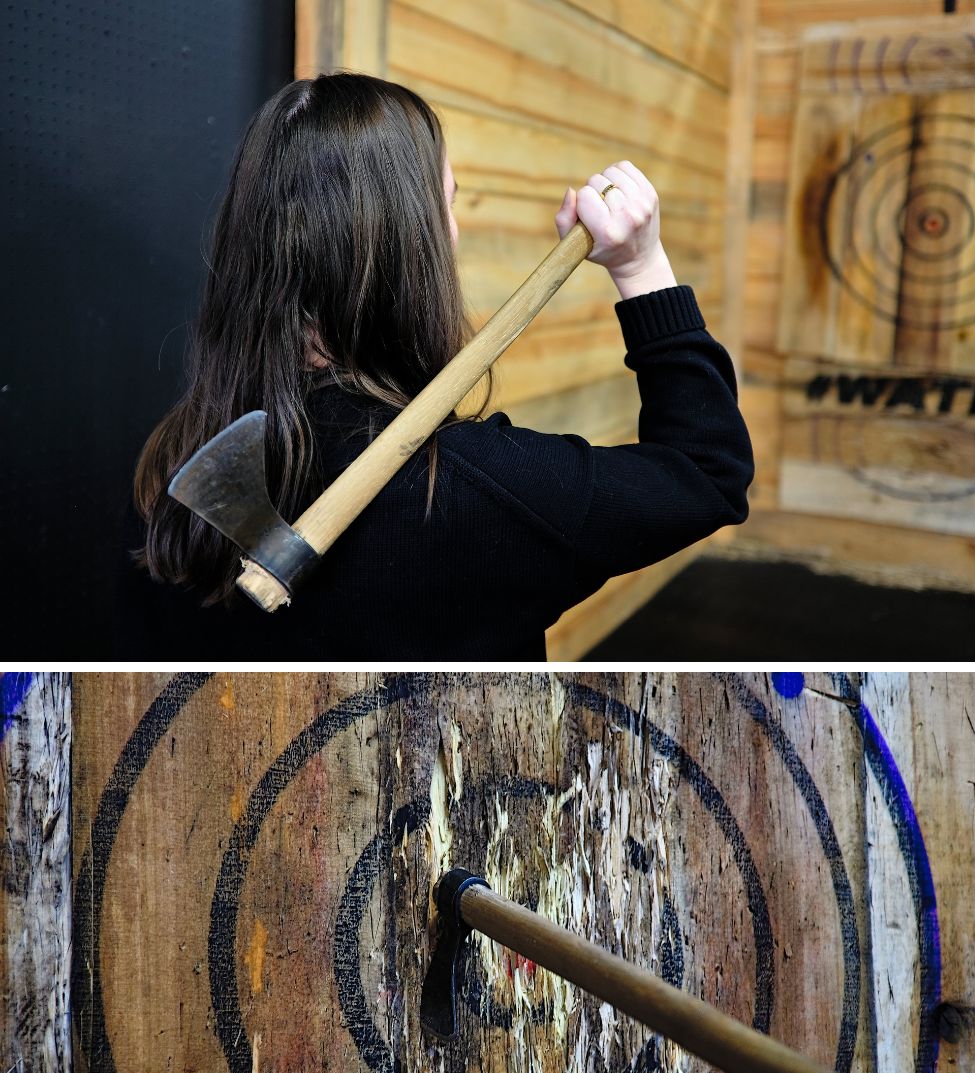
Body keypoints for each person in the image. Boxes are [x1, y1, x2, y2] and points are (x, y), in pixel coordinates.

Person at [127, 73, 753, 659]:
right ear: (411, 243)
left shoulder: (178, 463)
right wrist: (642, 269)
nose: (453, 232)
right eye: (443, 207)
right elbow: (709, 474)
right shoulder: (477, 491)